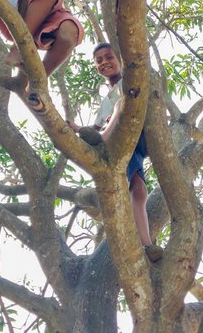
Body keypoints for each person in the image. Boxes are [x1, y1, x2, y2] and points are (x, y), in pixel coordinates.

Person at [69, 43, 163, 263]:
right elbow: (94, 128)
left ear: (121, 59)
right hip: (121, 142)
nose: (104, 63)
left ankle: (147, 244)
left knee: (139, 191)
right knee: (136, 191)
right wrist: (74, 129)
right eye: (99, 60)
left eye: (108, 57)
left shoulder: (133, 80)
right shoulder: (109, 99)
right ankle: (147, 244)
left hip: (140, 143)